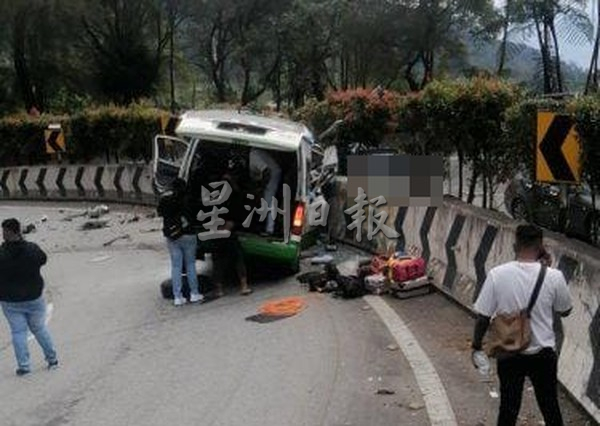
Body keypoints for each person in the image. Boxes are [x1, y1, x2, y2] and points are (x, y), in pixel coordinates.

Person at [471, 224, 573, 426]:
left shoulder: (497, 274)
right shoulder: (554, 276)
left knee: (508, 408)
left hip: (509, 351)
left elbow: (483, 317)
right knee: (550, 406)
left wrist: (476, 346)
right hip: (543, 354)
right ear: (541, 246)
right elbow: (565, 310)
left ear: (515, 245)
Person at [0, 218, 58, 376]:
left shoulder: (1, 254)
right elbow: (43, 259)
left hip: (9, 300)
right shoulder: (32, 249)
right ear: (19, 231)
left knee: (18, 332)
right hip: (33, 296)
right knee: (39, 328)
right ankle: (52, 359)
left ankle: (24, 367)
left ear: (5, 233)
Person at [157, 178, 204, 307]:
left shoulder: (165, 200)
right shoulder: (190, 200)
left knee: (176, 266)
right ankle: (194, 293)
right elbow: (198, 214)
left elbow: (160, 212)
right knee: (190, 265)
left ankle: (178, 297)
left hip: (172, 236)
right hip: (189, 234)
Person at [208, 166, 252, 297]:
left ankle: (219, 289)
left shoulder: (215, 195)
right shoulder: (235, 195)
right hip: (229, 229)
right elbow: (239, 212)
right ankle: (244, 286)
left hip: (217, 230)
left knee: (218, 260)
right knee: (237, 258)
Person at [249, 147, 281, 236]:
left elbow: (267, 171)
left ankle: (269, 229)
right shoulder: (256, 152)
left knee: (268, 201)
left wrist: (262, 187)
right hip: (271, 174)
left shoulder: (253, 154)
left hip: (272, 175)